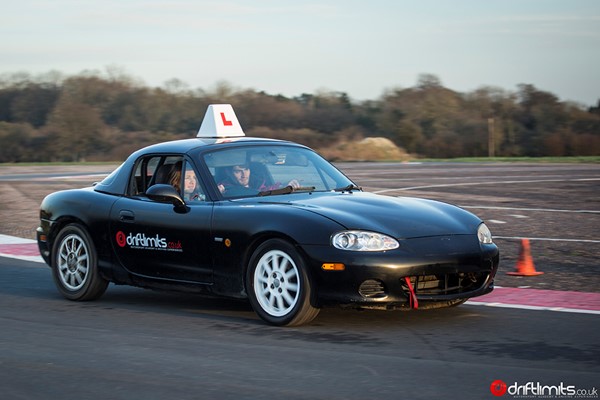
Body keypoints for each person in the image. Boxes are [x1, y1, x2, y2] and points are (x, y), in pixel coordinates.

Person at [217, 163, 300, 194]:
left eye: (246, 169)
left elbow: (270, 190)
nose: (244, 175)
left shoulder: (259, 183)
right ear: (228, 173)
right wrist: (219, 194)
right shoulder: (222, 189)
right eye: (238, 171)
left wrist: (288, 186)